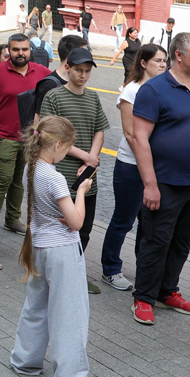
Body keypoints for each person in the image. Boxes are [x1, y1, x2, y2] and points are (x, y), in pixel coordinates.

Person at [9, 115, 102, 377]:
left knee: (36, 306)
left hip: (39, 245)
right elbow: (76, 222)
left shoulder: (33, 167)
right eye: (67, 148)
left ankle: (25, 360)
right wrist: (82, 192)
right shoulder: (56, 177)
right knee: (69, 315)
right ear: (58, 145)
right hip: (61, 251)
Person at [131, 33, 190, 322]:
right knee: (156, 240)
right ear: (179, 55)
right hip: (164, 183)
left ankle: (167, 290)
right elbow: (140, 139)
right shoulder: (154, 90)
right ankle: (143, 297)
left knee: (183, 241)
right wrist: (150, 185)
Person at [37, 47, 110, 293]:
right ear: (67, 68)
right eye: (79, 70)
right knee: (63, 225)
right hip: (63, 172)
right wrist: (84, 155)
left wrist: (91, 160)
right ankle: (59, 272)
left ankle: (77, 270)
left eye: (87, 71)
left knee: (85, 228)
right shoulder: (55, 96)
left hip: (87, 174)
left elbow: (100, 129)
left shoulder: (93, 97)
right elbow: (50, 135)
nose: (83, 75)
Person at [100, 44, 167, 291]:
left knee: (149, 222)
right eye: (158, 61)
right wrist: (149, 160)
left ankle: (146, 270)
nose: (163, 65)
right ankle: (110, 268)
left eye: (165, 60)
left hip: (156, 167)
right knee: (124, 219)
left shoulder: (164, 89)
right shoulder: (132, 90)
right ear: (143, 63)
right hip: (131, 165)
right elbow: (130, 134)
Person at [0, 34, 53, 248]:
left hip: (29, 138)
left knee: (19, 180)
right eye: (16, 49)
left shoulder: (41, 71)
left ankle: (12, 219)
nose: (21, 53)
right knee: (1, 180)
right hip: (3, 136)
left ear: (30, 51)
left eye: (25, 49)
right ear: (8, 51)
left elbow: (58, 83)